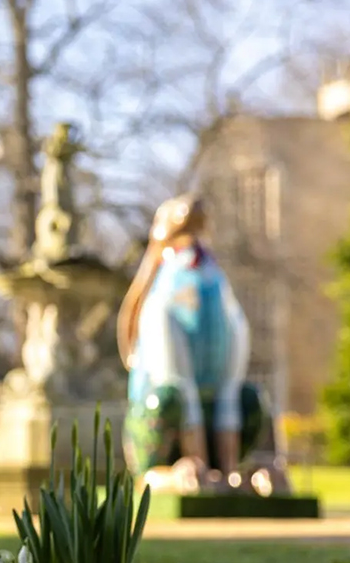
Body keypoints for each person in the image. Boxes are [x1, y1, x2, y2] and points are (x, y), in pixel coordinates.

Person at [116, 195, 270, 489]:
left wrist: (227, 473)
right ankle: (164, 472)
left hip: (211, 404)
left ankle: (227, 469)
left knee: (246, 397)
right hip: (172, 419)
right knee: (167, 397)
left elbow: (234, 350)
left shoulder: (211, 274)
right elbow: (173, 375)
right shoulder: (166, 285)